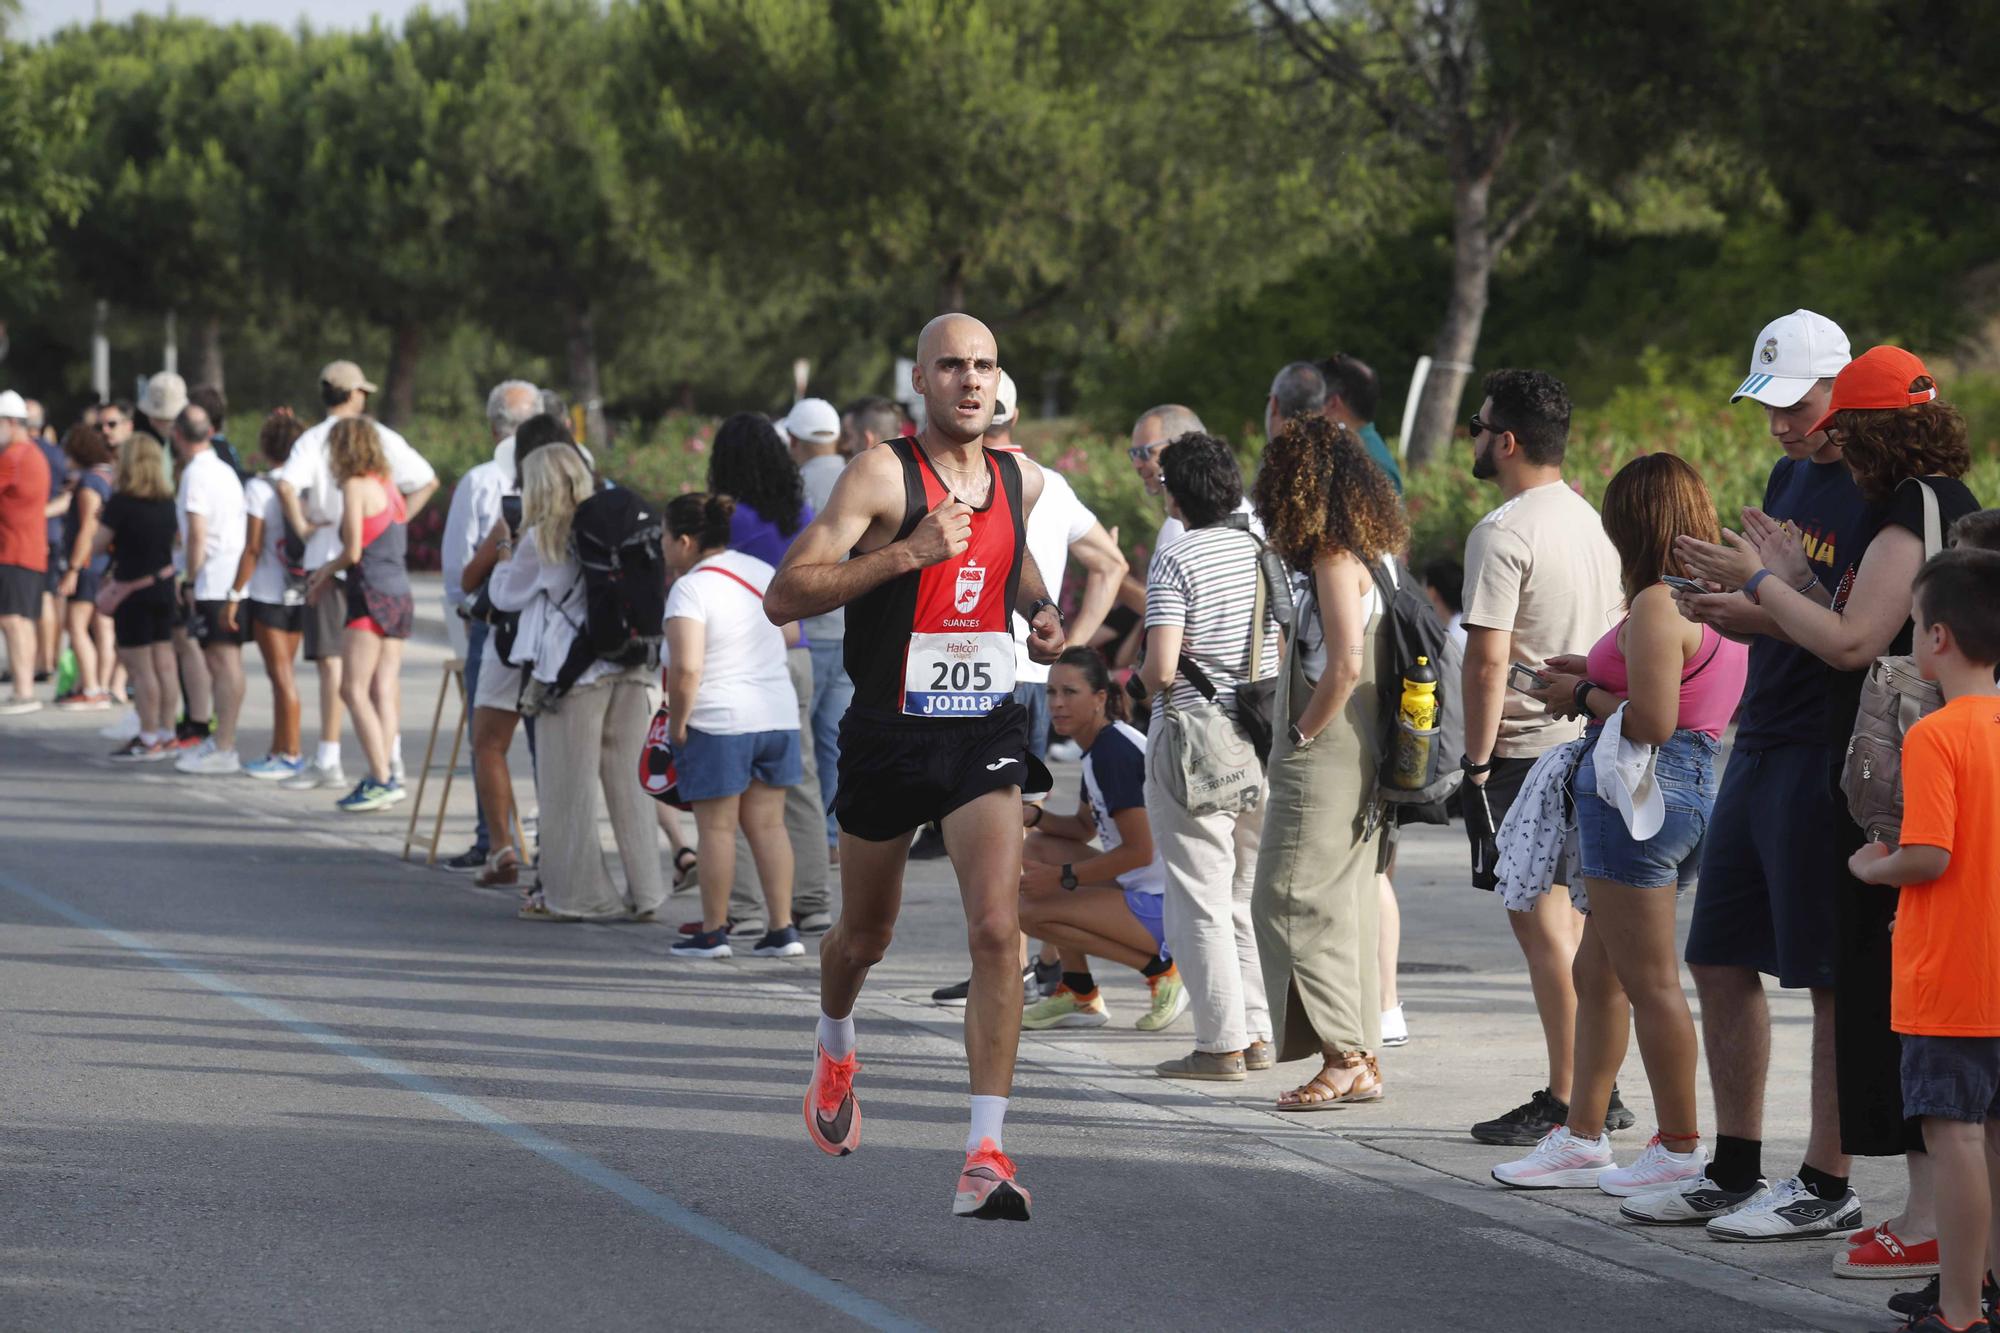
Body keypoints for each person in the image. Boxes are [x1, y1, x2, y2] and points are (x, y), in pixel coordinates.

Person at [1676, 345, 1981, 1250]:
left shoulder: (1912, 508)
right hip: (1859, 755)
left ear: (1876, 431)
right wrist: (1786, 585)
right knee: (1851, 978)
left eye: (1842, 428)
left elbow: (1854, 644)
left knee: (1877, 990)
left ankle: (1901, 1213)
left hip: (1888, 766)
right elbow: (1853, 617)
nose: (1827, 445)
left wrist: (1762, 587)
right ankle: (1928, 1225)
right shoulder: (1918, 503)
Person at [766, 312, 1064, 1220]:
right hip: (889, 732)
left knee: (996, 930)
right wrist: (906, 553)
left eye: (982, 367)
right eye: (950, 367)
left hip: (983, 729)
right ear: (921, 382)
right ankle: (835, 1041)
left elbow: (1010, 570)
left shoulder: (1025, 478)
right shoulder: (881, 473)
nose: (969, 382)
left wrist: (1043, 613)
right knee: (865, 938)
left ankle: (984, 1151)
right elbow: (787, 590)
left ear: (998, 381)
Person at [1627, 311, 1872, 1247]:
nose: (1780, 425)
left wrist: (1761, 594)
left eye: (1797, 404)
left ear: (1841, 390)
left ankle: (1828, 1177)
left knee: (1825, 973)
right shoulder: (1788, 476)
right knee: (1719, 952)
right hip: (1760, 735)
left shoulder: (1877, 491)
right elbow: (1788, 612)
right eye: (1768, 405)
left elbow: (1856, 630)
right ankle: (1733, 1166)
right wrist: (1729, 606)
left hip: (1827, 746)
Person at [1489, 454, 1749, 1194]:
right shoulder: (1714, 600)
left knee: (1649, 979)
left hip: (1640, 789)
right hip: (1680, 787)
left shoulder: (1660, 602)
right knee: (1596, 970)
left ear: (1633, 524)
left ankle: (1678, 1143)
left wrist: (1579, 692)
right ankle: (1582, 1134)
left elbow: (1656, 721)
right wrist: (1597, 676)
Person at [1459, 368, 1630, 1146]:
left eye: (1478, 423)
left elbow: (1488, 662)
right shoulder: (1591, 520)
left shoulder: (1503, 532)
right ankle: (1595, 1084)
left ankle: (1568, 1095)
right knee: (1569, 927)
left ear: (1508, 439)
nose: (1473, 435)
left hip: (1528, 748)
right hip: (1589, 737)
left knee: (1539, 929)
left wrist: (1476, 759)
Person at [1847, 550, 2000, 1333]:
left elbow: (1930, 854)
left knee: (1956, 1138)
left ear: (1938, 637)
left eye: (1912, 625)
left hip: (1952, 975)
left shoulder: (1937, 735)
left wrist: (1875, 866)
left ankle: (1959, 1308)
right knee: (1993, 1138)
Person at [1247, 415, 1407, 1107]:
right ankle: (1360, 1055)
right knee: (1342, 903)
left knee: (1285, 898)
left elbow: (1342, 661)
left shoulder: (1334, 556)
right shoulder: (1369, 550)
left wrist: (1304, 734)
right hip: (1359, 744)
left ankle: (1343, 1052)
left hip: (1327, 748)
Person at [1129, 431, 1278, 1083]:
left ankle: (1219, 1045)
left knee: (1197, 896)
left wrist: (1131, 681)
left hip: (1191, 737)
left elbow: (1162, 666)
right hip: (1259, 735)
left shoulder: (1178, 557)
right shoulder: (1263, 552)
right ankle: (1258, 1033)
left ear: (1175, 493)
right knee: (1241, 894)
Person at [488, 445, 664, 921]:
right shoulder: (610, 525)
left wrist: (504, 547)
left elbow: (504, 595)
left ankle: (583, 897)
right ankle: (648, 892)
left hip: (571, 674)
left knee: (569, 790)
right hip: (626, 663)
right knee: (630, 785)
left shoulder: (543, 537)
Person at [277, 360, 439, 793]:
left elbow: (286, 486)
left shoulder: (314, 439)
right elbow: (426, 480)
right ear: (352, 394)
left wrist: (304, 528)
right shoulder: (380, 438)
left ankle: (335, 758)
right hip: (384, 566)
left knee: (337, 669)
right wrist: (393, 524)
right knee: (383, 680)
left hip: (334, 555)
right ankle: (393, 757)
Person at [702, 412, 831, 938]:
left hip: (735, 655)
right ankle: (813, 898)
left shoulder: (723, 517)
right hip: (793, 649)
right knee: (796, 780)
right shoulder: (797, 512)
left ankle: (744, 906)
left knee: (727, 788)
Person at [662, 491, 804, 957]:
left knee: (717, 831)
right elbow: (789, 633)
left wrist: (678, 723)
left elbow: (686, 669)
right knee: (769, 826)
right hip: (776, 715)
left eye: (666, 538)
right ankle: (782, 931)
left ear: (684, 541)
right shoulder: (761, 571)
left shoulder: (689, 589)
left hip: (719, 719)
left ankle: (714, 931)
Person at [1015, 647, 1184, 1032]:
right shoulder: (1100, 745)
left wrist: (1064, 877)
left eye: (1070, 693)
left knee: (1029, 910)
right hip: (1145, 889)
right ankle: (1078, 993)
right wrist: (1034, 815)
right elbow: (1082, 828)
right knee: (1036, 846)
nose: (1057, 704)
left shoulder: (1113, 754)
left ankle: (1162, 969)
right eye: (1051, 692)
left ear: (1100, 698)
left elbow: (1139, 852)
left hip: (1167, 904)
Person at [459, 413, 575, 889]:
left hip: (509, 645)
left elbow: (473, 582)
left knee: (488, 741)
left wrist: (503, 546)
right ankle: (556, 848)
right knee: (552, 752)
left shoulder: (521, 514)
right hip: (563, 652)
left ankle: (502, 846)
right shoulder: (586, 508)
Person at [438, 379, 541, 869]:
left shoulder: (480, 480)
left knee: (487, 737)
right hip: (547, 626)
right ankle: (550, 845)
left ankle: (493, 838)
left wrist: (467, 610)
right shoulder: (565, 474)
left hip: (495, 621)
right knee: (545, 741)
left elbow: (458, 569)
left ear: (492, 426)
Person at [304, 416, 413, 812]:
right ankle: (386, 773)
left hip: (370, 593)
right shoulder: (389, 486)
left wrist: (321, 574)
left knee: (352, 688)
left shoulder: (355, 486)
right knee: (382, 687)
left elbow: (352, 551)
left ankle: (381, 778)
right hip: (400, 592)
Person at [787, 396, 851, 859]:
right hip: (853, 629)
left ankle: (803, 840)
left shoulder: (796, 486)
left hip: (809, 631)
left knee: (802, 746)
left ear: (795, 439)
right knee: (835, 741)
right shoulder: (859, 474)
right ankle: (832, 837)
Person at [171, 405, 250, 775]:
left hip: (215, 578)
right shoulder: (223, 470)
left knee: (222, 662)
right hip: (229, 576)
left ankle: (225, 745)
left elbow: (197, 533)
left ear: (178, 435)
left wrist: (189, 578)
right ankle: (221, 742)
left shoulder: (196, 474)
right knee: (225, 662)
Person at [233, 409, 310, 778]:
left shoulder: (260, 487)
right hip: (300, 589)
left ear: (266, 447)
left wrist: (234, 594)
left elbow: (252, 547)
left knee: (281, 678)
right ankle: (278, 748)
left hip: (268, 591)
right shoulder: (303, 486)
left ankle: (290, 752)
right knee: (285, 675)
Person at [95, 434, 181, 757]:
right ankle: (167, 730)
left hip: (133, 589)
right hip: (162, 585)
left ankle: (147, 736)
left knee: (140, 667)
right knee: (165, 664)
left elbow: (99, 544)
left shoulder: (122, 503)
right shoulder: (167, 502)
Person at [53, 422, 117, 710]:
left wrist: (73, 569)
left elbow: (87, 528)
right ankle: (99, 685)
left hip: (88, 563)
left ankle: (91, 688)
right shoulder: (107, 476)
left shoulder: (90, 483)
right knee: (98, 627)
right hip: (102, 562)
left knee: (76, 626)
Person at [0, 390, 50, 715]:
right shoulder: (32, 453)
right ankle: (25, 687)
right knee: (25, 622)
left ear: (11, 423)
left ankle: (23, 690)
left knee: (12, 620)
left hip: (13, 550)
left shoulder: (13, 456)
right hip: (29, 548)